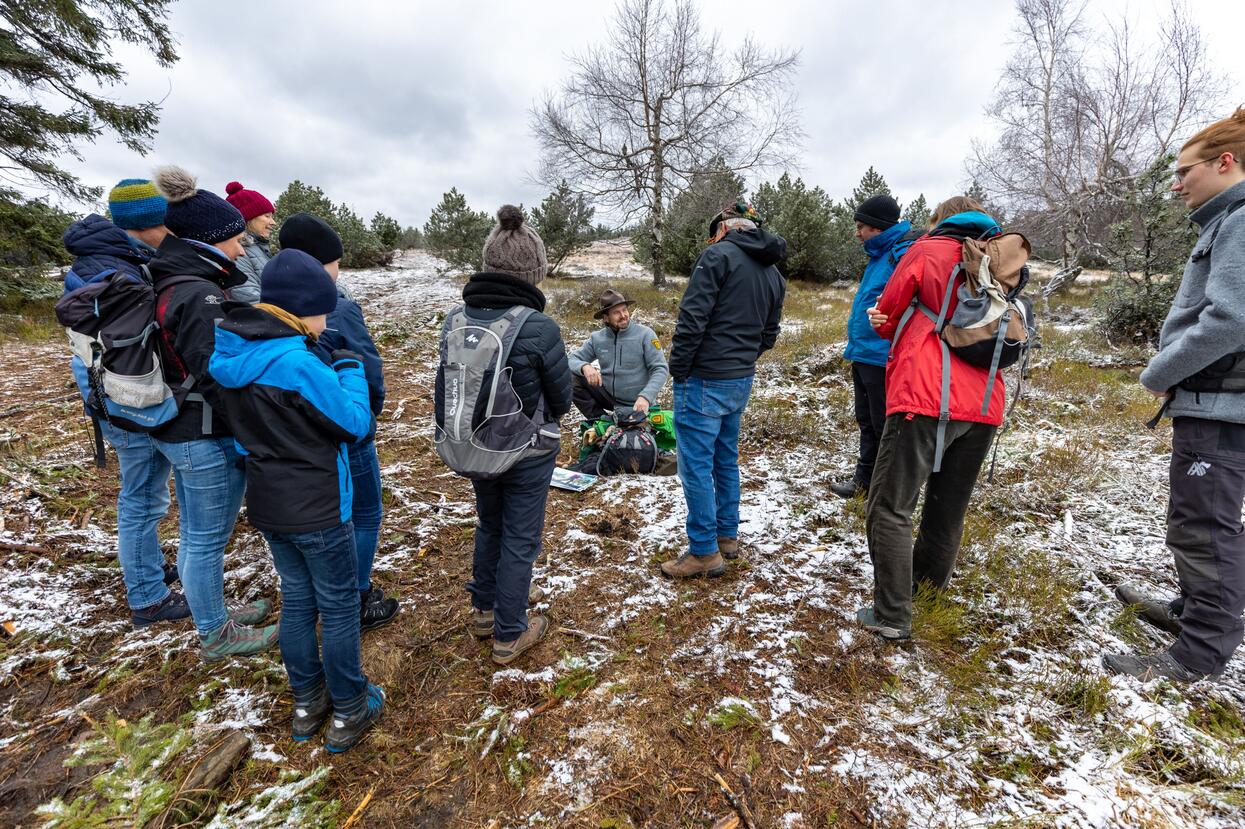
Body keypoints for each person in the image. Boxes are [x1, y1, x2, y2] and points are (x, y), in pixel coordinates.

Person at [209, 248, 384, 752]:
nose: (326, 320)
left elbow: (242, 439)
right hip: (321, 506)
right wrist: (349, 368)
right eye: (323, 310)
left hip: (269, 501)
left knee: (298, 601)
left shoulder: (233, 353)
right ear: (303, 308)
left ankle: (308, 702)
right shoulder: (295, 363)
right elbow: (354, 424)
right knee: (338, 604)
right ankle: (351, 706)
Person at [1104, 107, 1245, 683]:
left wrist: (1159, 370)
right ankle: (1193, 612)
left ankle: (1199, 654)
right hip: (1217, 404)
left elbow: (1230, 319)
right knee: (1203, 518)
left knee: (1203, 526)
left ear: (1225, 162)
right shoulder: (1225, 221)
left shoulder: (1239, 221)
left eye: (1185, 170)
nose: (1177, 182)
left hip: (1221, 407)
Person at [859, 196, 1005, 641]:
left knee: (890, 506)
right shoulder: (1001, 258)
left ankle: (891, 614)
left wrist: (881, 318)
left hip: (924, 393)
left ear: (940, 221)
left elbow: (887, 316)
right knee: (947, 508)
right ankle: (925, 592)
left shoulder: (927, 250)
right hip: (984, 400)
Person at [148, 165, 277, 661]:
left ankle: (216, 614)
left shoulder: (180, 280)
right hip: (199, 431)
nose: (242, 250)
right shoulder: (198, 294)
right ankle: (215, 634)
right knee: (203, 537)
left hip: (183, 424)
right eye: (234, 240)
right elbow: (216, 375)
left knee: (202, 534)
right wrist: (255, 426)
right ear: (208, 240)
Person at [447, 205, 571, 665]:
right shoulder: (538, 326)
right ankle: (509, 633)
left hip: (475, 444)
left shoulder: (456, 319)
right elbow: (560, 397)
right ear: (533, 270)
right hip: (528, 451)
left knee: (490, 525)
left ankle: (483, 609)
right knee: (521, 537)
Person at [61, 180, 186, 628]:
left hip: (105, 391)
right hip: (126, 397)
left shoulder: (104, 258)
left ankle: (146, 568)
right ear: (150, 222)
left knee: (144, 492)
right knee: (144, 498)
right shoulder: (120, 272)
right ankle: (148, 598)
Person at [276, 212, 399, 632]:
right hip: (347, 426)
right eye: (335, 260)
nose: (338, 268)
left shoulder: (269, 305)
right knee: (365, 512)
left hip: (297, 438)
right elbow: (367, 366)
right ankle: (357, 595)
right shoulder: (339, 309)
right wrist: (369, 414)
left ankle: (321, 594)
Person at [661, 200, 786, 578]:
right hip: (739, 376)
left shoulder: (716, 257)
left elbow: (692, 318)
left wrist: (679, 369)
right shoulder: (774, 272)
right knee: (724, 457)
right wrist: (744, 358)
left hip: (703, 378)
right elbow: (770, 333)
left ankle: (703, 550)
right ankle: (726, 535)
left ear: (723, 229)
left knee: (696, 465)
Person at [830, 195, 914, 500]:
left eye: (861, 226)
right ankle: (864, 481)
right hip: (864, 352)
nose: (857, 232)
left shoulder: (902, 254)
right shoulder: (879, 255)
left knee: (883, 426)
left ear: (878, 228)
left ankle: (885, 490)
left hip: (883, 355)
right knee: (866, 421)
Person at [567, 288, 669, 421]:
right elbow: (571, 359)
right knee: (571, 378)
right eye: (616, 312)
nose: (623, 315)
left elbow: (660, 369)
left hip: (638, 402)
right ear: (605, 318)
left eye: (625, 310)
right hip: (610, 397)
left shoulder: (645, 334)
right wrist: (585, 367)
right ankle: (601, 420)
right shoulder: (597, 338)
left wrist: (646, 396)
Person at [224, 181, 276, 304]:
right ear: (249, 218)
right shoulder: (238, 253)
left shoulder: (258, 249)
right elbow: (249, 298)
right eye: (267, 216)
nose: (273, 222)